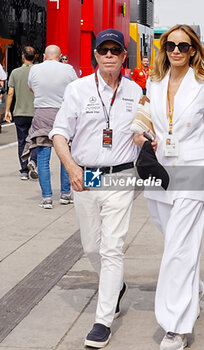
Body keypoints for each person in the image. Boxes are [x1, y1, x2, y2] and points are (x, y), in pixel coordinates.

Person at [133, 24, 204, 350]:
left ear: (194, 50)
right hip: (161, 170)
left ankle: (176, 326)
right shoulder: (154, 83)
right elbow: (147, 120)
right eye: (171, 45)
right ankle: (192, 286)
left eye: (183, 46)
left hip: (194, 170)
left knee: (178, 249)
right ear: (164, 49)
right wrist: (142, 132)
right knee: (174, 242)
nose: (177, 51)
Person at [49, 28, 142, 348]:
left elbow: (141, 132)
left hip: (121, 176)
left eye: (116, 50)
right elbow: (59, 134)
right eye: (104, 50)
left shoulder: (135, 91)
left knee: (112, 246)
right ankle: (114, 286)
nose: (110, 56)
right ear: (95, 54)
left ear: (124, 55)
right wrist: (71, 167)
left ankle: (102, 320)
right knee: (91, 246)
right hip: (85, 176)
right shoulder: (77, 89)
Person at [22, 45, 78, 208]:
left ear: (45, 56)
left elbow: (31, 88)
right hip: (62, 114)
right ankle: (65, 194)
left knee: (43, 157)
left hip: (42, 115)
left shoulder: (35, 69)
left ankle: (46, 197)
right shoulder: (68, 69)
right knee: (64, 156)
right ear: (60, 57)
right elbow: (76, 91)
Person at [5, 46, 38, 181]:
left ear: (23, 57)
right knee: (36, 140)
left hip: (20, 112)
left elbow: (11, 93)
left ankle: (24, 170)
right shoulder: (38, 72)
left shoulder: (15, 72)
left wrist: (7, 110)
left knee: (22, 141)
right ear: (35, 57)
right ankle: (33, 161)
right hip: (36, 112)